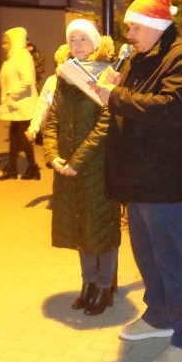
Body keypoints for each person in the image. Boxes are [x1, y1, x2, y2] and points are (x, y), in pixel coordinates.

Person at [93, 0, 182, 362]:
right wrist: (111, 87)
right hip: (141, 178)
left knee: (174, 262)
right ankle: (159, 315)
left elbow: (172, 108)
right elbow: (131, 98)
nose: (128, 35)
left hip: (169, 182)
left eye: (134, 28)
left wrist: (115, 97)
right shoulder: (141, 56)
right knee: (148, 256)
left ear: (156, 26)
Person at [43, 19, 120, 316]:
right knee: (80, 227)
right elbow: (53, 119)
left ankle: (104, 286)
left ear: (95, 43)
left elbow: (106, 125)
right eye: (72, 40)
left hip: (97, 167)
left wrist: (78, 161)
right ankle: (88, 283)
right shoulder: (65, 76)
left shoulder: (108, 76)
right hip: (68, 168)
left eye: (83, 39)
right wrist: (52, 153)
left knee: (102, 229)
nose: (77, 45)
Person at [0, 27, 40, 180]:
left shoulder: (22, 56)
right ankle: (12, 168)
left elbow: (28, 80)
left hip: (23, 103)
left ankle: (33, 167)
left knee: (23, 137)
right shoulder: (11, 57)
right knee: (14, 137)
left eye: (6, 42)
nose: (4, 46)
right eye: (3, 43)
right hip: (14, 104)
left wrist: (12, 94)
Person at [25, 44, 70, 145]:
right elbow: (42, 104)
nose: (60, 66)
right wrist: (33, 128)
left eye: (64, 62)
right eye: (58, 63)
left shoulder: (80, 83)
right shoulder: (51, 82)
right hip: (54, 130)